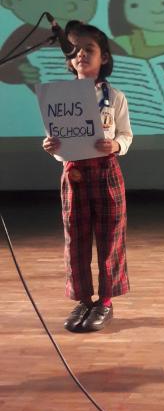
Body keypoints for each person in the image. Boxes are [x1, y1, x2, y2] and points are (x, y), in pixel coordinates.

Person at [42, 21, 133, 332]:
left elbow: (126, 135)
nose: (80, 54)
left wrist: (116, 145)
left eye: (88, 49)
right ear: (69, 60)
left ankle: (105, 301)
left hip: (106, 173)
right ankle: (83, 299)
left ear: (103, 57)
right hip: (74, 174)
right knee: (76, 239)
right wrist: (52, 148)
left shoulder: (115, 96)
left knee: (110, 238)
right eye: (75, 50)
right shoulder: (58, 98)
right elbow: (56, 140)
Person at [0, 0, 98, 85]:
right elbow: (6, 64)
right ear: (10, 2)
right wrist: (19, 72)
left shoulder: (91, 35)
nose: (71, 6)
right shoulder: (25, 34)